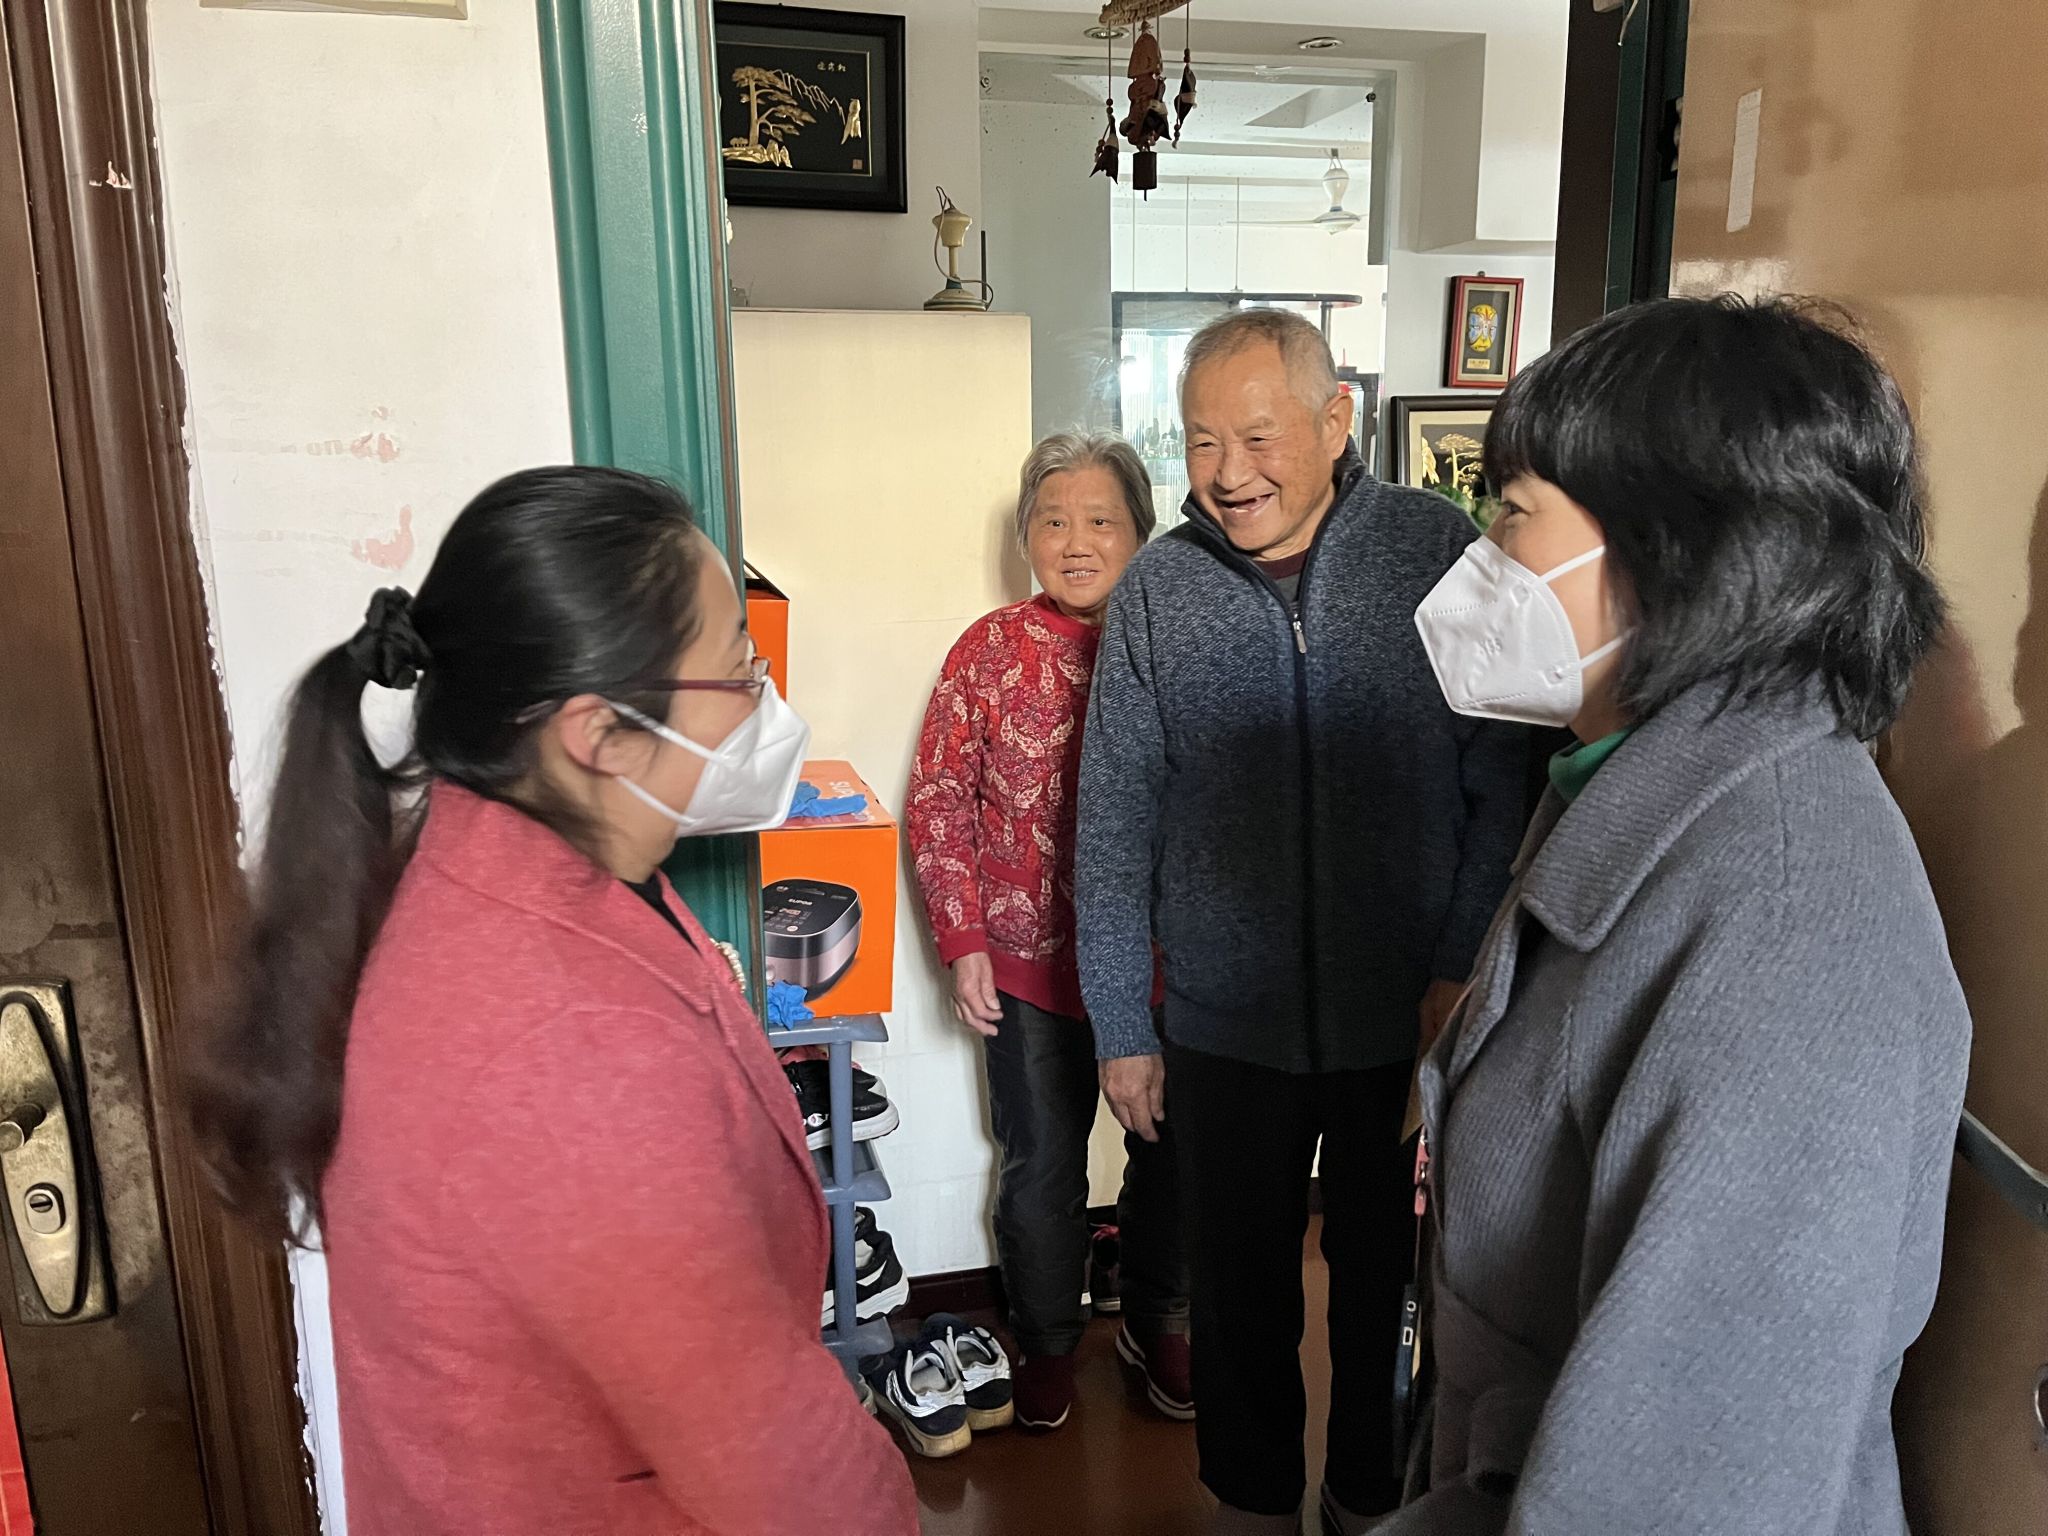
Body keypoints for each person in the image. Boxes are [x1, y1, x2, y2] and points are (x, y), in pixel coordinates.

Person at [189, 468, 916, 1536]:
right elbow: (777, 1468)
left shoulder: (520, 861)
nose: (764, 705)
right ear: (599, 733)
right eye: (738, 672)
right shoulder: (565, 1040)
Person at [1387, 295, 1971, 1534]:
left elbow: (1687, 1487)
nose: (1484, 556)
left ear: (1675, 546)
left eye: (1512, 513)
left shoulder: (1784, 918)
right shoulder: (1636, 788)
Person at [1077, 309, 1533, 1535]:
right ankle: (1252, 1505)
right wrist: (1122, 1026)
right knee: (1237, 1298)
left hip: (1405, 1014)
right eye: (1200, 441)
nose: (1227, 473)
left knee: (1394, 1287)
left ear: (1336, 422)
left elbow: (1502, 779)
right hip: (1219, 1026)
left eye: (1257, 436)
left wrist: (1458, 965)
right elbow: (1111, 818)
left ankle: (1366, 1501)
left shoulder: (1436, 551)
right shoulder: (1158, 591)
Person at [907, 431, 1189, 1434]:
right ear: (1026, 534)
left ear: (1140, 532)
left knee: (1172, 1157)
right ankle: (1046, 1340)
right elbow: (938, 798)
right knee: (1041, 1170)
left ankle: (1157, 1318)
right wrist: (963, 940)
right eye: (1054, 520)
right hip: (1028, 969)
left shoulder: (1171, 643)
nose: (1076, 542)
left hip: (1161, 966)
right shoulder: (987, 652)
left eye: (1101, 520)